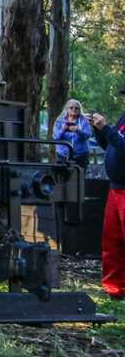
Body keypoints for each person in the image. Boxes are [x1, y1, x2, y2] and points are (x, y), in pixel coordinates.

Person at [90, 105, 125, 300]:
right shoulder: (123, 119)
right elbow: (111, 146)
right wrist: (98, 130)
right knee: (112, 241)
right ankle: (115, 289)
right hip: (116, 188)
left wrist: (106, 128)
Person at [52, 99, 94, 168]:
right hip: (63, 155)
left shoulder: (84, 120)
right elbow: (55, 137)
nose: (74, 109)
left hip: (81, 156)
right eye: (71, 108)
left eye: (76, 108)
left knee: (80, 176)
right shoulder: (60, 120)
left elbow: (88, 135)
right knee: (62, 176)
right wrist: (63, 130)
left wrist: (78, 131)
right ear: (67, 109)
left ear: (80, 110)